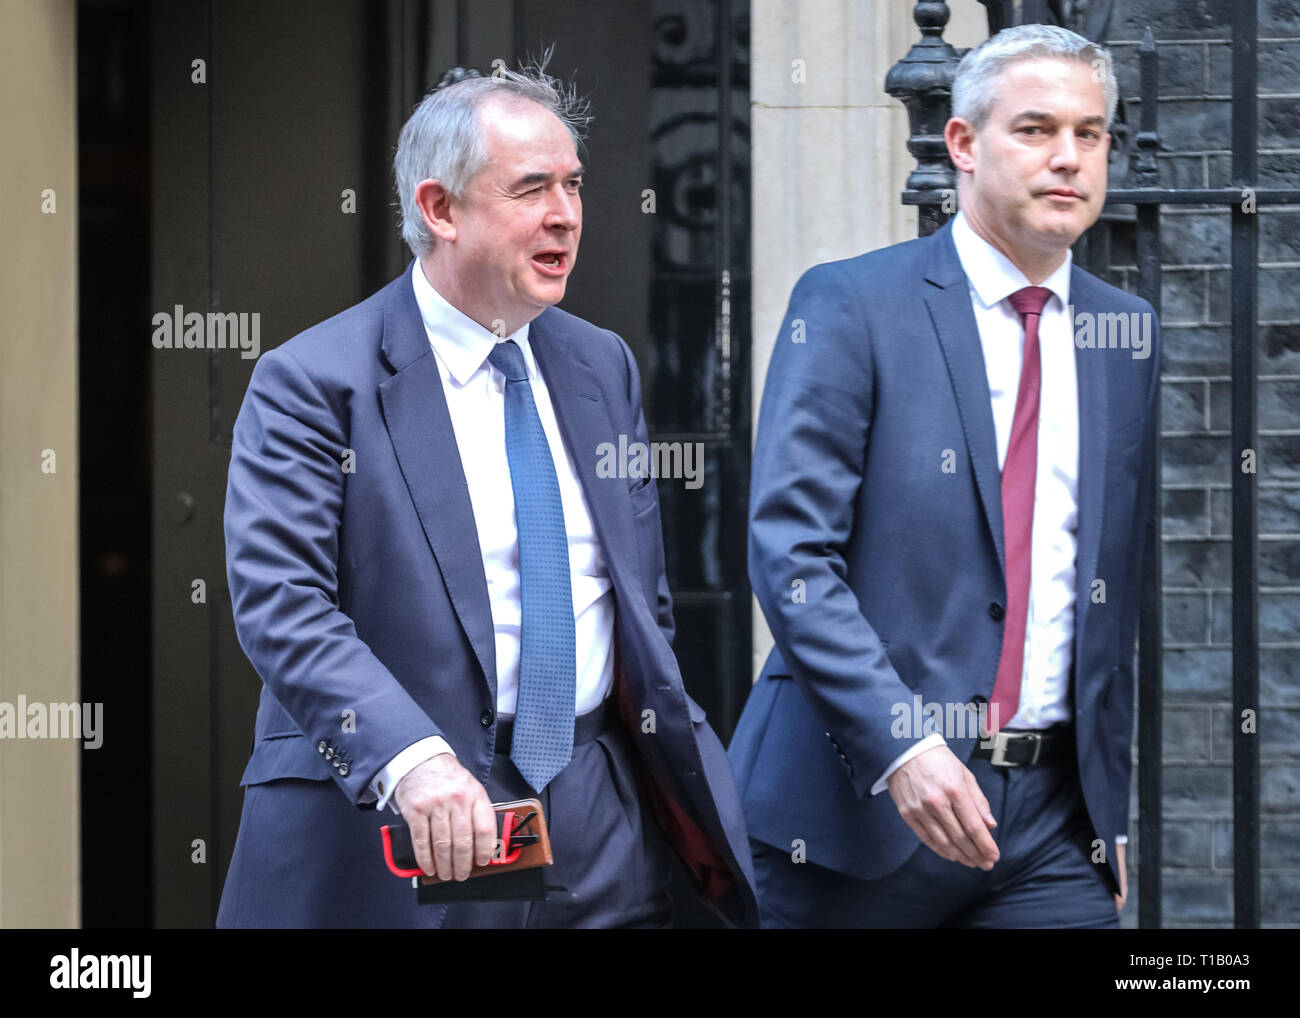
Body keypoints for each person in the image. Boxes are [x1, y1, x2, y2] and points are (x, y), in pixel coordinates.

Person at [216, 61, 756, 929]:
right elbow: (283, 604)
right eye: (531, 188)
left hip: (599, 807)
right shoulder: (314, 382)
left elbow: (635, 597)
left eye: (574, 185)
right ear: (440, 210)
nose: (566, 214)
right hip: (422, 809)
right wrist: (414, 760)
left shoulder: (600, 364)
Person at [729, 24, 1158, 928]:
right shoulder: (852, 304)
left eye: (1090, 134)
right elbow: (792, 555)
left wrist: (1108, 811)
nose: (1069, 158)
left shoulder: (1126, 333)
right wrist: (903, 749)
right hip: (856, 816)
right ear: (961, 144)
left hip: (1049, 829)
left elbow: (1104, 589)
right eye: (1036, 130)